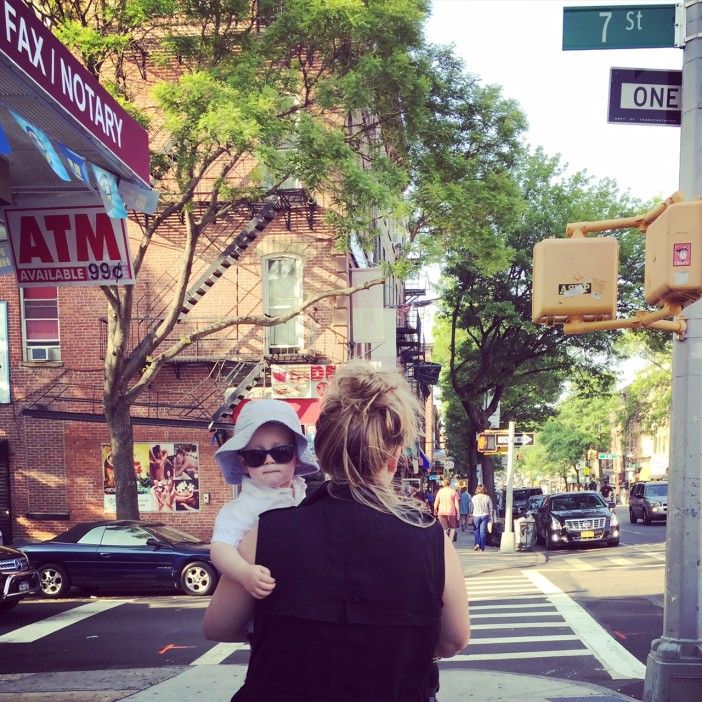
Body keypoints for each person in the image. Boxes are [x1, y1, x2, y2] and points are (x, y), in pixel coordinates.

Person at [204, 360, 470, 701]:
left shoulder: (265, 533)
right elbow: (454, 639)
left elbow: (219, 626)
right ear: (393, 457)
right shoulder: (430, 539)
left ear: (322, 453)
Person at [210, 399, 319, 598]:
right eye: (256, 456)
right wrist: (244, 573)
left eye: (281, 452)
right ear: (244, 464)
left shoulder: (305, 494)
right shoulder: (241, 508)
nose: (269, 460)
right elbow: (220, 548)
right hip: (263, 595)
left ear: (296, 456)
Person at [471, 484, 493, 552]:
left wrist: (470, 515)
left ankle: (476, 544)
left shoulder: (474, 498)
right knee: (482, 531)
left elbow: (471, 507)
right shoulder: (487, 497)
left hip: (476, 516)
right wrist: (491, 517)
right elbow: (491, 508)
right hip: (485, 515)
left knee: (476, 530)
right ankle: (482, 547)